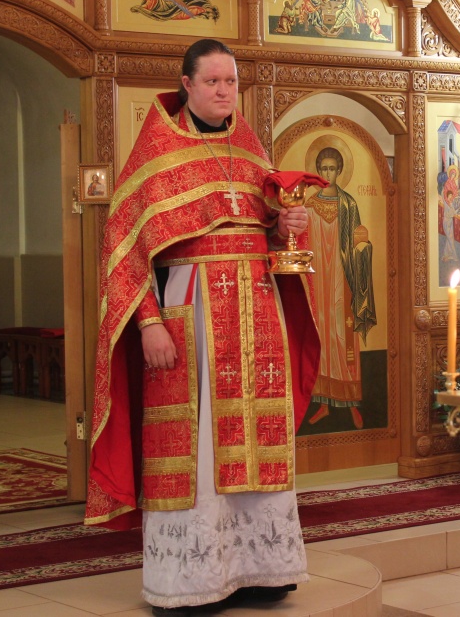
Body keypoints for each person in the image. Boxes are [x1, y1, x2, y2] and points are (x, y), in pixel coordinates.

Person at [85, 39, 320, 612]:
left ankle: (262, 570)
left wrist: (286, 225)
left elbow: (266, 233)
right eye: (212, 81)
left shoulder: (250, 148)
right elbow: (123, 248)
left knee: (257, 439)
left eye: (230, 82)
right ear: (187, 84)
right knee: (200, 446)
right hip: (189, 317)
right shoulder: (157, 153)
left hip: (257, 312)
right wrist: (148, 323)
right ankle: (191, 582)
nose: (223, 91)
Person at [304, 147, 376, 429]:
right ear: (318, 171)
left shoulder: (348, 204)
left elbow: (359, 244)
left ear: (340, 171)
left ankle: (352, 402)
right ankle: (323, 403)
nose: (328, 174)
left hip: (342, 278)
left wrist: (363, 244)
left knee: (342, 332)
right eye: (323, 169)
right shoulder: (309, 205)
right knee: (320, 330)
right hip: (317, 279)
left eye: (332, 169)